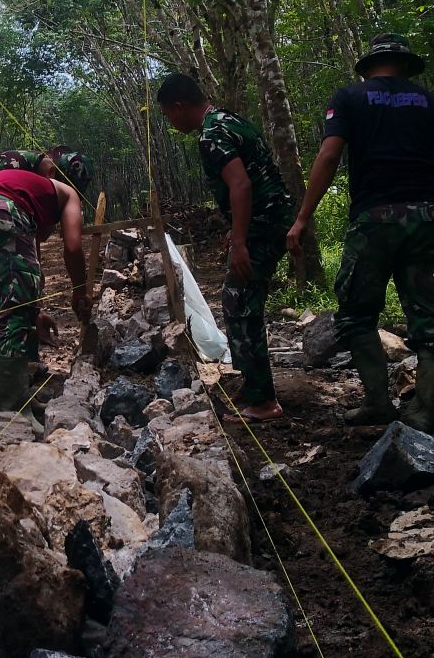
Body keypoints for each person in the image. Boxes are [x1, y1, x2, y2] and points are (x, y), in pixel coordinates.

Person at [287, 33, 434, 430]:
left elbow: (330, 154)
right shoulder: (426, 101)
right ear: (405, 65)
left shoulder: (349, 98)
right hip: (425, 219)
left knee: (355, 315)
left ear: (368, 67)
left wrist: (303, 216)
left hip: (375, 219)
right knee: (428, 320)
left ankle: (378, 403)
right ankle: (425, 412)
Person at [157, 73, 294, 423]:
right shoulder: (230, 119)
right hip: (272, 218)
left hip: (263, 225)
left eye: (168, 115)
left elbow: (241, 184)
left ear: (179, 106)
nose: (170, 123)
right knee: (240, 299)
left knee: (240, 303)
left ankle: (264, 401)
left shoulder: (211, 134)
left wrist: (240, 240)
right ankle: (252, 388)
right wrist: (236, 228)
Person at [0, 166, 92, 422]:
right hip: (0, 209)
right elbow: (72, 247)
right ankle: (12, 411)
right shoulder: (69, 194)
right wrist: (80, 291)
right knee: (12, 308)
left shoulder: (29, 191)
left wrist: (35, 311)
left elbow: (23, 269)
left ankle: (11, 392)